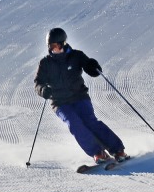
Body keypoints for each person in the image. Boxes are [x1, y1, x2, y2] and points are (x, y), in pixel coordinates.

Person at [34, 27, 128, 165]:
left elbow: (90, 68)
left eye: (56, 45)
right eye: (51, 46)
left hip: (79, 97)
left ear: (63, 43)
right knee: (74, 124)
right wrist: (43, 90)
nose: (53, 48)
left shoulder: (76, 56)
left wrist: (93, 66)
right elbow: (38, 83)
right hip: (60, 102)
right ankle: (98, 153)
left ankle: (118, 150)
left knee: (90, 122)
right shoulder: (45, 63)